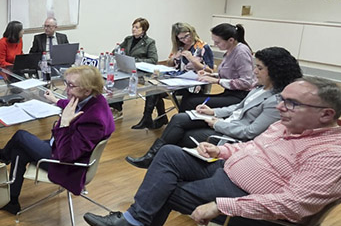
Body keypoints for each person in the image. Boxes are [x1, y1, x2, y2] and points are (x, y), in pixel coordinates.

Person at [84, 77, 341, 226]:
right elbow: (253, 148)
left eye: (291, 103)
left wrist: (221, 206)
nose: (280, 107)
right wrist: (221, 152)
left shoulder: (336, 156)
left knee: (165, 190)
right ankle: (133, 224)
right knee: (168, 153)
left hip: (259, 211)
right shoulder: (288, 124)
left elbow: (291, 206)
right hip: (225, 173)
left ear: (327, 115)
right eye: (282, 99)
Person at [126, 47, 302, 169]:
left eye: (259, 68)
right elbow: (238, 108)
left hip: (232, 134)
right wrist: (213, 112)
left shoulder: (275, 101)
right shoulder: (259, 87)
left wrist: (216, 123)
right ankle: (152, 157)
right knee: (179, 118)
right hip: (225, 122)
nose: (254, 71)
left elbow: (250, 133)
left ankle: (164, 163)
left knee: (183, 136)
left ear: (275, 71)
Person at [0, 65, 115, 214]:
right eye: (66, 83)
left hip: (67, 165)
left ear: (87, 90)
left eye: (71, 85)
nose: (66, 89)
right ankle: (12, 200)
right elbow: (73, 105)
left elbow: (67, 155)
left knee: (21, 136)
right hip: (61, 147)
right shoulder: (94, 100)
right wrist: (56, 101)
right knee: (19, 149)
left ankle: (3, 157)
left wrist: (65, 124)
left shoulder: (94, 120)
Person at [131, 22, 214, 130]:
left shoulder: (202, 47)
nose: (185, 40)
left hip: (194, 83)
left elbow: (210, 70)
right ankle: (148, 118)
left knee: (167, 91)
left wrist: (192, 59)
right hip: (178, 79)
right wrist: (174, 57)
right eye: (181, 38)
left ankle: (180, 123)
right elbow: (170, 64)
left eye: (187, 36)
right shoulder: (180, 46)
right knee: (154, 87)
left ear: (192, 32)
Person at [178, 22, 255, 112]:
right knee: (188, 96)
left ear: (231, 40)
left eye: (217, 42)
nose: (215, 44)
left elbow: (246, 82)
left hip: (240, 96)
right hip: (231, 93)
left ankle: (186, 123)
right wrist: (211, 75)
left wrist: (217, 81)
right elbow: (231, 74)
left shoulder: (241, 52)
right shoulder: (230, 50)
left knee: (190, 102)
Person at [110, 17, 158, 119]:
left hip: (139, 72)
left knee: (121, 80)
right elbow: (116, 51)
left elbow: (153, 60)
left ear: (143, 30)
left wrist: (135, 61)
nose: (133, 29)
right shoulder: (128, 39)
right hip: (126, 68)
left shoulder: (149, 42)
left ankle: (117, 109)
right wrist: (116, 53)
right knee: (111, 78)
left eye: (137, 27)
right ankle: (111, 106)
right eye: (133, 27)